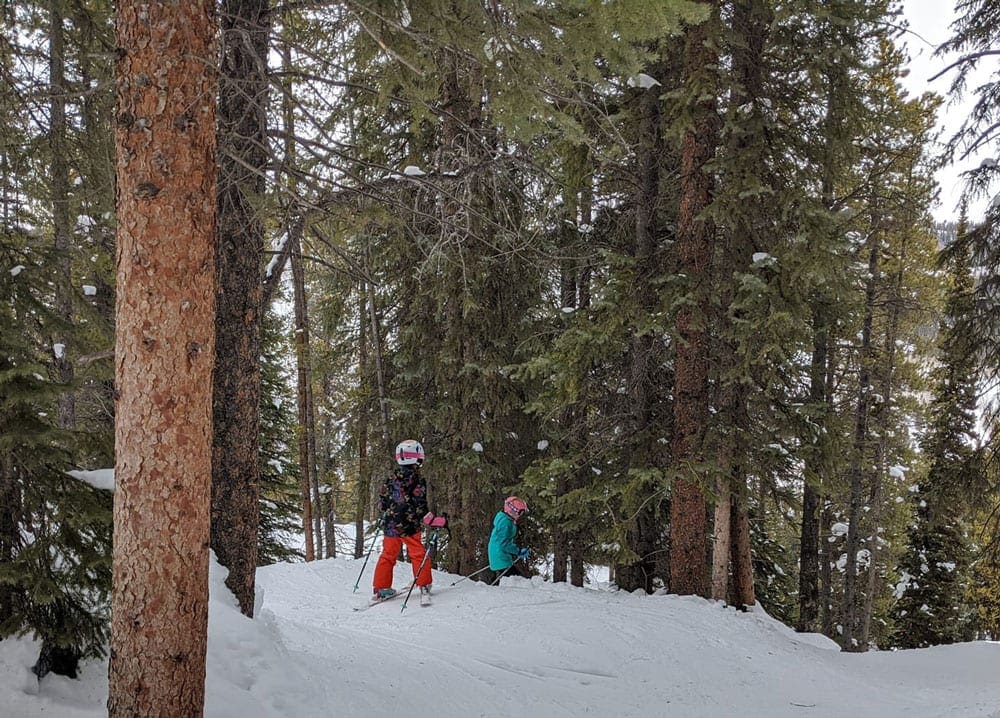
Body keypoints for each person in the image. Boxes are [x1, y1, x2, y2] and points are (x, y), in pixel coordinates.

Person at [372, 439, 432, 603]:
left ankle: (381, 588)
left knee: (388, 555)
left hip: (391, 525)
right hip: (410, 525)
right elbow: (420, 503)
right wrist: (428, 517)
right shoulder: (417, 480)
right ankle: (423, 583)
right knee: (418, 553)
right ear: (417, 458)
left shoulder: (390, 478)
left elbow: (382, 500)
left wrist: (385, 509)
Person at [488, 496, 531, 581]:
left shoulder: (505, 518)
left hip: (500, 554)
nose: (520, 516)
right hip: (500, 555)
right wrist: (518, 551)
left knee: (509, 579)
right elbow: (503, 544)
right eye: (520, 513)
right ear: (513, 511)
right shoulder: (506, 523)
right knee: (516, 580)